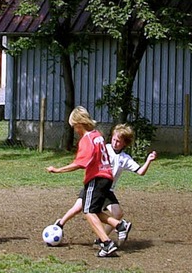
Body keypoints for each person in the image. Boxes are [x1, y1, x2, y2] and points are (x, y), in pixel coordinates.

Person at [46, 106, 132, 257]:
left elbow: (80, 163)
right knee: (96, 211)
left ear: (79, 124)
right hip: (107, 178)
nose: (74, 130)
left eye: (74, 126)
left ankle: (106, 244)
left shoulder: (87, 140)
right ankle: (119, 225)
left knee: (88, 211)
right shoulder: (97, 135)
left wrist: (58, 170)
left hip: (96, 178)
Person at [53, 124, 157, 246]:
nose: (115, 143)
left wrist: (148, 160)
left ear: (125, 143)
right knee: (79, 207)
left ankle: (103, 238)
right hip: (95, 184)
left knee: (116, 213)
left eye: (119, 141)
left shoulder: (125, 158)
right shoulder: (105, 148)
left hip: (107, 188)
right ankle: (60, 224)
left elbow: (140, 172)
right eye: (114, 139)